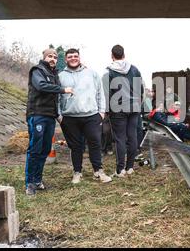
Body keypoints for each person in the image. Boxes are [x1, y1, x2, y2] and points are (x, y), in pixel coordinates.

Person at [58, 48, 112, 184]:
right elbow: (56, 97)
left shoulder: (92, 73)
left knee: (95, 143)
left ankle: (98, 171)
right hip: (69, 117)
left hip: (91, 115)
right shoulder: (60, 76)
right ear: (65, 59)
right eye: (70, 57)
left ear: (79, 57)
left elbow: (100, 93)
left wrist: (101, 112)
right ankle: (77, 172)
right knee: (76, 146)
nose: (73, 58)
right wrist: (59, 116)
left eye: (75, 56)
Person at [25, 48, 73, 195]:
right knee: (35, 149)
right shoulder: (37, 70)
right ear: (44, 57)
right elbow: (41, 86)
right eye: (49, 56)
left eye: (54, 57)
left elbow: (54, 98)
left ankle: (38, 180)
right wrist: (63, 89)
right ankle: (30, 184)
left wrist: (58, 114)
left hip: (50, 116)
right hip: (37, 114)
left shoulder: (54, 74)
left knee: (45, 149)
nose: (52, 59)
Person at [102, 44, 143, 177]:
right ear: (124, 55)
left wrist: (106, 111)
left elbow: (106, 93)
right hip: (134, 107)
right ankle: (130, 167)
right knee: (132, 136)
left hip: (118, 108)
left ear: (112, 56)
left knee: (120, 139)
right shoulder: (135, 69)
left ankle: (120, 170)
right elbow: (140, 90)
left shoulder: (109, 72)